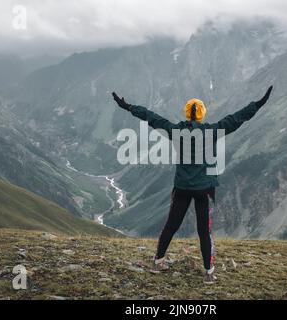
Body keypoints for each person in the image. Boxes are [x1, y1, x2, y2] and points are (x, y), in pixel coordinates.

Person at [112, 86, 273, 284]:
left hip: (182, 187)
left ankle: (158, 261)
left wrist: (128, 107)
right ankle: (209, 273)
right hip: (205, 189)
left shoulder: (175, 131)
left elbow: (151, 117)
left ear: (187, 113)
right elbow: (236, 119)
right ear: (202, 113)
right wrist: (257, 104)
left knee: (171, 225)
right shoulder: (212, 131)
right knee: (204, 231)